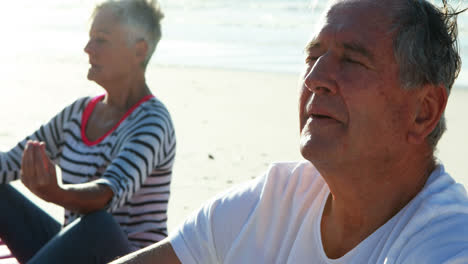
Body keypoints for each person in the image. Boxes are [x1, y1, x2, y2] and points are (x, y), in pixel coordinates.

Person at [111, 0, 468, 263]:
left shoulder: (448, 245)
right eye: (313, 57)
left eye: (353, 61)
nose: (315, 79)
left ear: (424, 112)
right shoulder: (272, 204)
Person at [0, 0, 176, 263]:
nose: (87, 49)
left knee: (98, 225)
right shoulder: (78, 113)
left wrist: (55, 193)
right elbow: (9, 163)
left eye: (101, 40)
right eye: (90, 38)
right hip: (75, 251)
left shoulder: (153, 121)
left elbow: (107, 195)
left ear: (139, 50)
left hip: (129, 258)